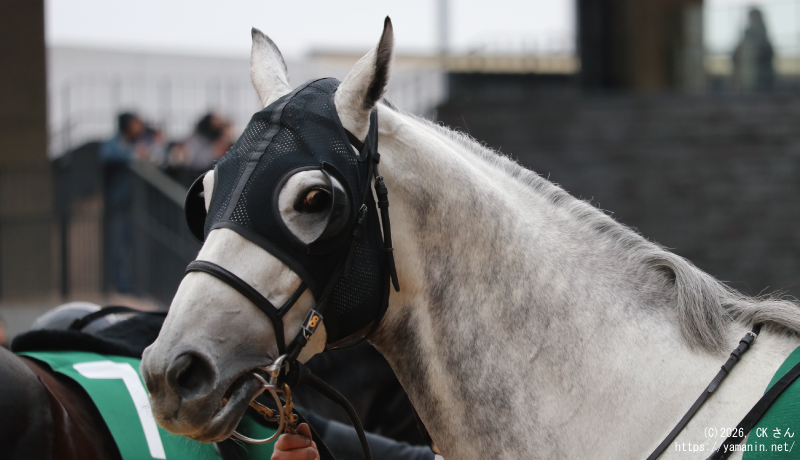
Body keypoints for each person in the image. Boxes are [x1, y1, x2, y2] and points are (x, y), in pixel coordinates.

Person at [100, 112, 147, 293]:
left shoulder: (139, 143)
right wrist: (134, 155)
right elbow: (106, 155)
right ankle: (119, 284)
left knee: (132, 246)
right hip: (118, 204)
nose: (140, 128)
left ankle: (132, 283)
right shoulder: (114, 144)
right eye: (136, 123)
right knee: (118, 246)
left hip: (136, 204)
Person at [733, 7, 775, 91]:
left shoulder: (763, 38)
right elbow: (736, 57)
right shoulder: (746, 37)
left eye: (755, 17)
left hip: (761, 81)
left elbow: (768, 55)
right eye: (751, 18)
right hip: (745, 81)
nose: (752, 20)